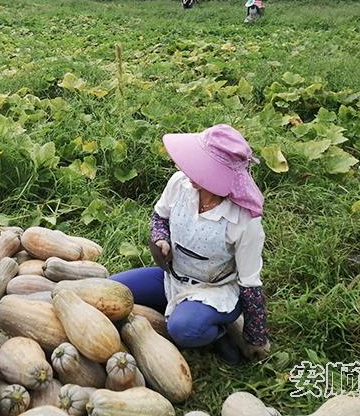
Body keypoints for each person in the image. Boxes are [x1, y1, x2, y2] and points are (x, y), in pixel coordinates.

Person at [111, 124, 269, 365]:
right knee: (112, 291)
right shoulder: (179, 184)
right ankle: (183, 311)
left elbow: (250, 283)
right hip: (172, 277)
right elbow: (159, 218)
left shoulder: (244, 221)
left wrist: (255, 338)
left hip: (214, 290)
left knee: (184, 329)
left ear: (217, 176)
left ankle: (219, 333)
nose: (187, 169)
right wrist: (160, 238)